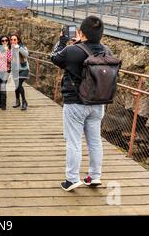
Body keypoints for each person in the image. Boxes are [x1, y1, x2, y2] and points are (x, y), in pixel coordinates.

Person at [50, 16, 113, 191]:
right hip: (98, 102)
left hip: (75, 103)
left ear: (81, 33)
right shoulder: (107, 51)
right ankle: (94, 176)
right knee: (95, 141)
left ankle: (72, 179)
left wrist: (62, 40)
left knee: (74, 141)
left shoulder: (72, 50)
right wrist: (81, 42)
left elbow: (54, 58)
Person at [10, 33, 29, 111]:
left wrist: (18, 48)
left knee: (19, 84)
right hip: (15, 70)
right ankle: (18, 101)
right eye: (11, 39)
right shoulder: (10, 48)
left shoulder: (22, 47)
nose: (13, 41)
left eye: (15, 39)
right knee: (17, 86)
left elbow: (26, 55)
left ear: (18, 40)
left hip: (23, 69)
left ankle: (24, 101)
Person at [0, 35, 11, 110]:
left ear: (8, 41)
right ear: (0, 42)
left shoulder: (10, 50)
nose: (5, 42)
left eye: (6, 40)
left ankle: (4, 104)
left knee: (3, 87)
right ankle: (0, 102)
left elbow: (9, 60)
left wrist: (6, 51)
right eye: (3, 41)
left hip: (6, 71)